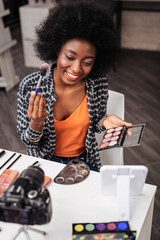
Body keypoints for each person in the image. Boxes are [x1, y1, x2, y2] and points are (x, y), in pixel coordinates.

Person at [17, 1, 132, 171]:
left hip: (84, 161)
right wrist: (36, 123)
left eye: (87, 62)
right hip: (44, 163)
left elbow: (95, 123)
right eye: (70, 57)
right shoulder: (32, 86)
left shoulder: (98, 84)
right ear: (56, 49)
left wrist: (105, 120)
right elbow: (27, 141)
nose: (77, 69)